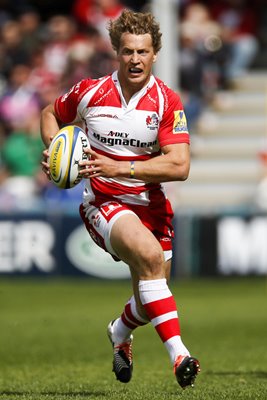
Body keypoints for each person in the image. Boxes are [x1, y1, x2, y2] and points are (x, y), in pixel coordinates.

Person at [40, 9, 200, 389]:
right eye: (128, 51)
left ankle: (119, 331)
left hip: (152, 207)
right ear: (117, 52)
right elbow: (50, 113)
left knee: (149, 297)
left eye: (142, 52)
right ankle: (180, 355)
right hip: (104, 203)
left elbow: (179, 166)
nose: (135, 59)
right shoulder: (90, 92)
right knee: (147, 257)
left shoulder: (166, 102)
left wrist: (121, 168)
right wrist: (55, 152)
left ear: (155, 53)